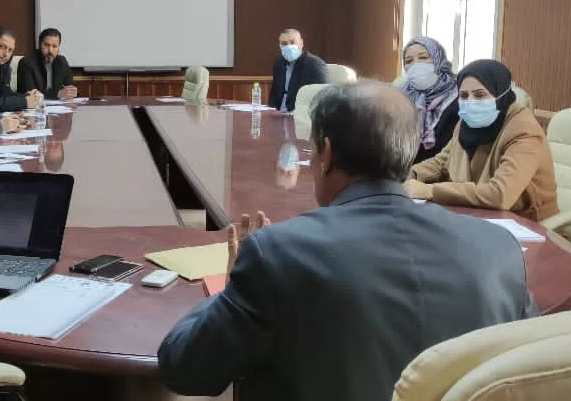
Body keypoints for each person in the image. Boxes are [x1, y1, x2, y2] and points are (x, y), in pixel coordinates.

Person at [158, 81, 537, 401]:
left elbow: (185, 370)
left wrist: (230, 288)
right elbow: (532, 369)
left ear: (325, 154)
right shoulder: (498, 249)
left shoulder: (276, 253)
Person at [404, 59, 558, 222]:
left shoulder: (524, 130)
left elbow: (500, 194)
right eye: (463, 96)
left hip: (526, 222)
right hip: (479, 214)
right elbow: (443, 161)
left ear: (500, 94)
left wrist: (430, 191)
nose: (470, 102)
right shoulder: (467, 122)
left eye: (479, 95)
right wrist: (410, 174)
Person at [398, 36, 459, 163]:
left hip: (443, 168)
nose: (416, 64)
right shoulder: (399, 95)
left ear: (438, 60)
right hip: (404, 167)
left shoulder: (458, 95)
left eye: (423, 58)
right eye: (409, 61)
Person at [267, 28, 328, 112]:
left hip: (301, 115)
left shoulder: (314, 64)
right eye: (284, 44)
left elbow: (323, 97)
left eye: (292, 42)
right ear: (280, 46)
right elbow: (274, 96)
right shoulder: (278, 64)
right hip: (278, 114)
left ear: (301, 43)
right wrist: (269, 112)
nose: (288, 46)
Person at [0, 27, 41, 112]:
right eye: (2, 47)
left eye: (10, 50)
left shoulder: (3, 64)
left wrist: (26, 96)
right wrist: (25, 102)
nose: (6, 54)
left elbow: (5, 93)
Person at [16, 28, 77, 99]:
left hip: (58, 105)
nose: (50, 50)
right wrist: (57, 94)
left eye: (54, 46)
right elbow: (29, 93)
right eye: (46, 45)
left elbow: (69, 87)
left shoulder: (62, 61)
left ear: (59, 48)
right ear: (39, 45)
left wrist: (71, 92)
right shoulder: (27, 62)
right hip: (34, 105)